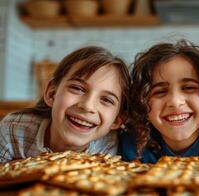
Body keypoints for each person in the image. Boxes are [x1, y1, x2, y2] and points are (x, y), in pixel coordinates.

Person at [0, 46, 130, 163]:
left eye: (107, 100)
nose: (88, 106)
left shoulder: (109, 145)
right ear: (52, 94)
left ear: (117, 119)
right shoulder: (12, 130)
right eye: (77, 88)